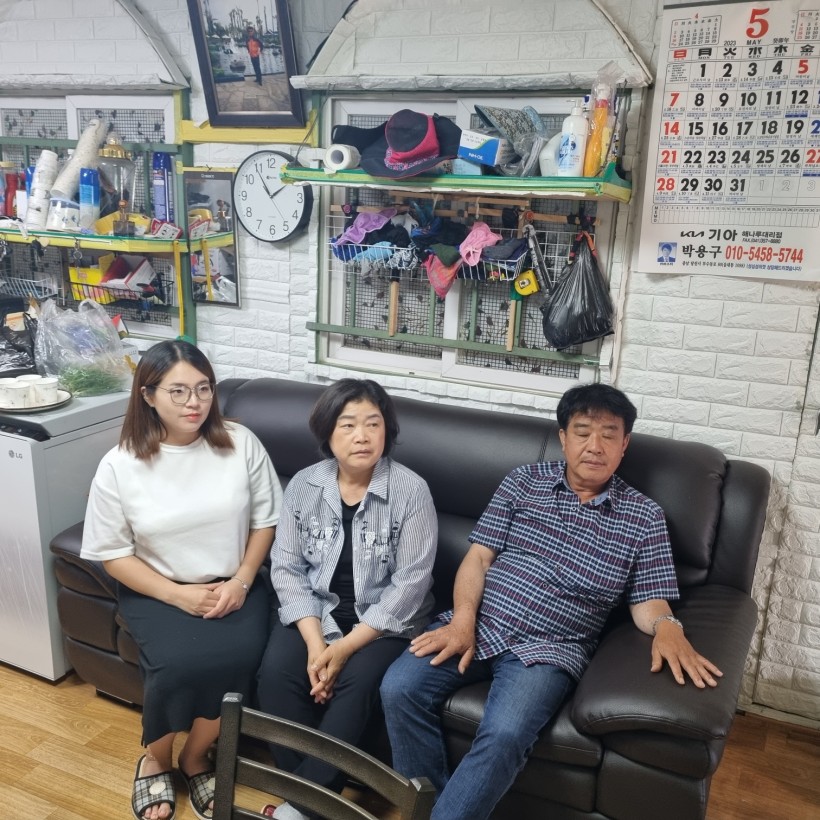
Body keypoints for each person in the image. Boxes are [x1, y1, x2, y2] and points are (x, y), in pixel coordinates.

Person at [380, 383, 722, 820]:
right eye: (582, 432)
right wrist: (463, 618)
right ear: (563, 437)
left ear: (624, 445)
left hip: (550, 650)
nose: (595, 446)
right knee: (399, 688)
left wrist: (668, 628)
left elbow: (648, 600)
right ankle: (429, 810)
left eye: (609, 435)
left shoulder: (644, 517)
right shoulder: (523, 481)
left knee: (505, 733)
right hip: (479, 622)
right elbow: (478, 558)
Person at [81, 340, 282, 820]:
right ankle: (155, 759)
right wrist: (176, 594)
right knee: (174, 666)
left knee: (241, 658)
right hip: (156, 587)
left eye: (204, 388)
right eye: (178, 391)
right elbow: (113, 554)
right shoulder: (120, 464)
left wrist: (241, 581)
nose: (195, 402)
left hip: (234, 583)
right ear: (148, 395)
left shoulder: (240, 442)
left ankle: (196, 757)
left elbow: (266, 522)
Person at [256, 379, 437, 820]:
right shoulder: (304, 485)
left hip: (383, 622)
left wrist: (345, 649)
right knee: (276, 676)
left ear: (387, 431)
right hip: (315, 612)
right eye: (348, 425)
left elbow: (411, 584)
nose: (362, 436)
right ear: (328, 433)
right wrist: (316, 645)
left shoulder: (411, 490)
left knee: (356, 687)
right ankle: (314, 804)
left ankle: (299, 808)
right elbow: (286, 568)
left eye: (373, 424)